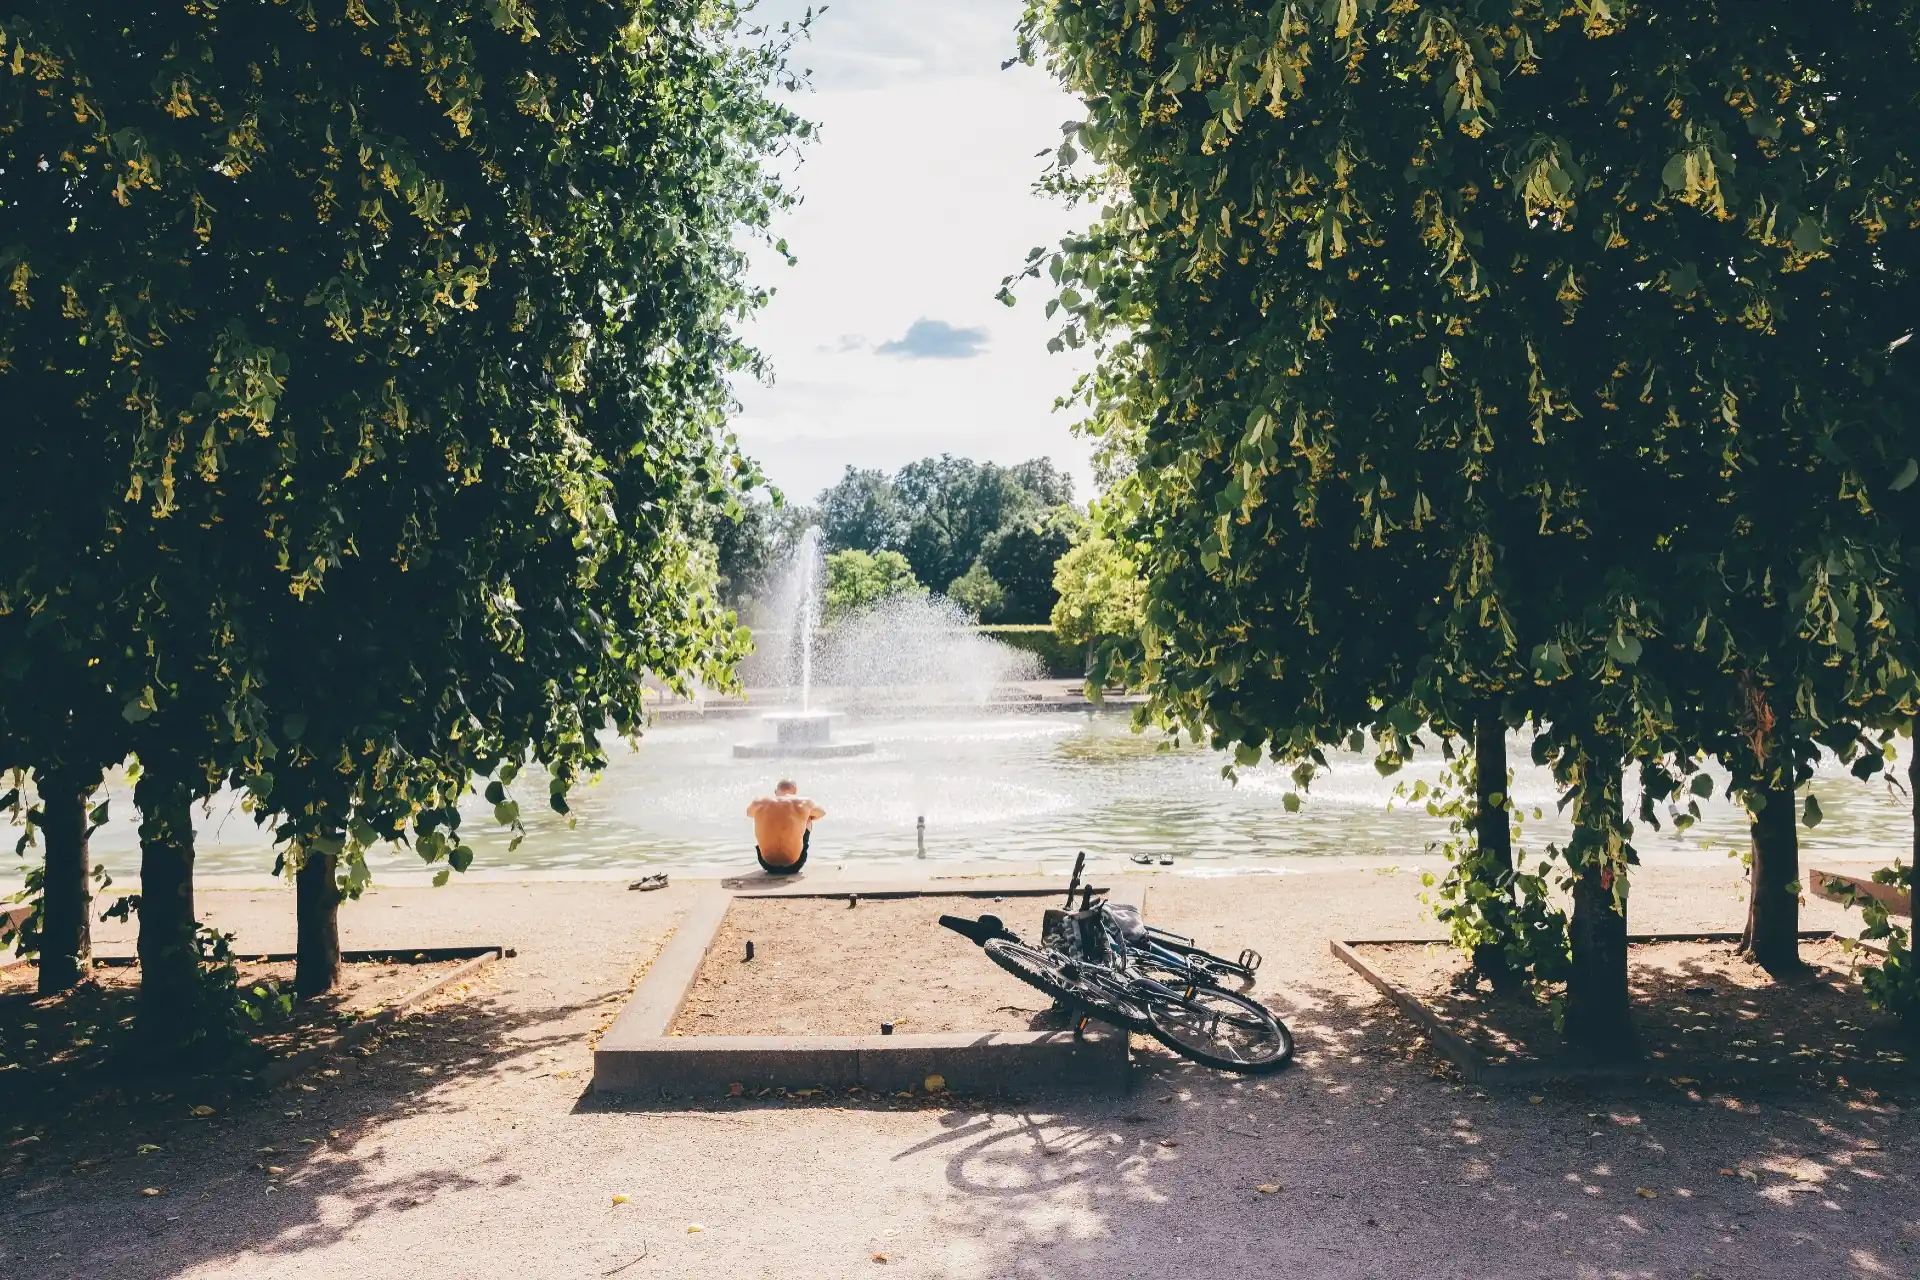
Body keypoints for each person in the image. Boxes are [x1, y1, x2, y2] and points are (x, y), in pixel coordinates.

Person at [747, 780, 825, 875]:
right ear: (795, 792)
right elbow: (822, 813)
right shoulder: (803, 802)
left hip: (766, 864)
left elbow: (749, 813)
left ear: (776, 791)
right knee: (807, 818)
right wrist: (801, 816)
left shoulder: (758, 802)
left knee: (760, 817)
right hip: (795, 865)